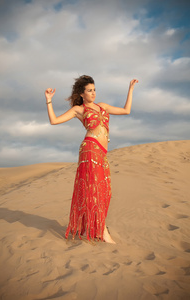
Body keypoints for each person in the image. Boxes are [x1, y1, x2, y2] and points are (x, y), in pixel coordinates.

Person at [45, 75, 138, 244]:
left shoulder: (102, 106)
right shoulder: (78, 110)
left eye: (94, 90)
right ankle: (101, 231)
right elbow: (54, 121)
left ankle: (95, 227)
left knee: (105, 192)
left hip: (102, 153)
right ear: (82, 94)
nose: (93, 93)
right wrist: (49, 100)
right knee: (94, 191)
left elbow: (126, 110)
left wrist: (130, 89)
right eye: (89, 91)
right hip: (89, 149)